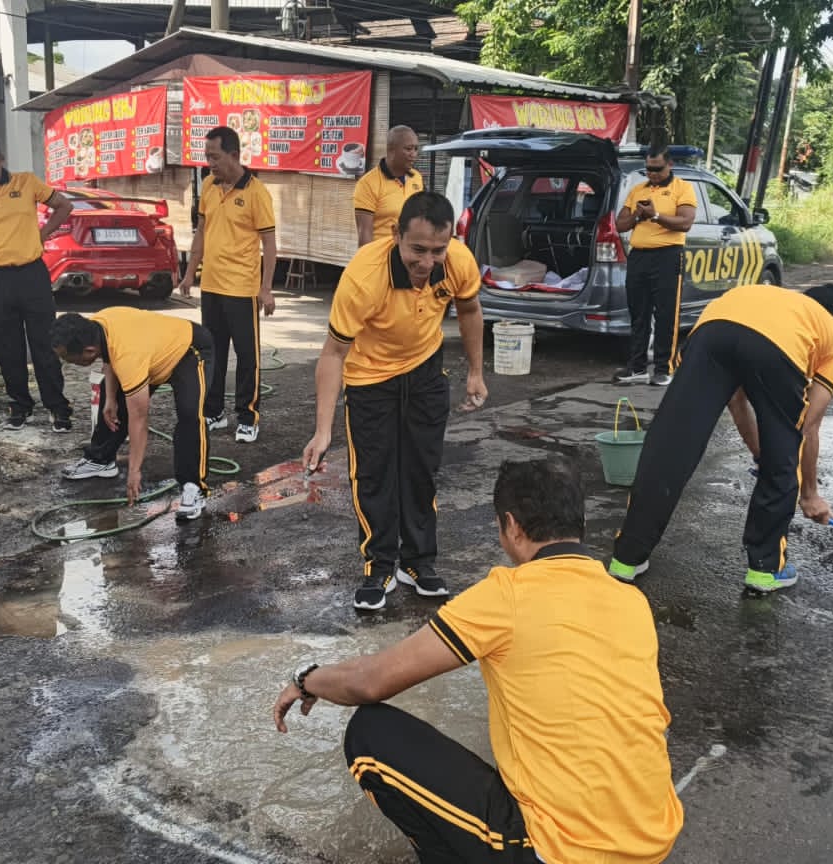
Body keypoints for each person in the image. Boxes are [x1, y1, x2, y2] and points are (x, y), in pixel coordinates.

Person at [272, 459, 684, 864]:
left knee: (371, 732)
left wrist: (307, 678)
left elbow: (370, 681)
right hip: (651, 841)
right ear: (578, 523)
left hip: (561, 854)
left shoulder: (508, 594)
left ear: (512, 526)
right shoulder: (630, 600)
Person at [302, 192, 487, 610]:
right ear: (395, 236)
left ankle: (419, 562)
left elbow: (471, 308)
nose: (426, 263)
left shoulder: (457, 262)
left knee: (421, 471)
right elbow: (333, 353)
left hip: (424, 372)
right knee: (375, 475)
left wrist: (475, 372)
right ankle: (380, 565)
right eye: (417, 250)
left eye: (437, 251)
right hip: (369, 380)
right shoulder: (364, 276)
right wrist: (323, 430)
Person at [609, 283, 833, 593]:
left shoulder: (776, 300)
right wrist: (809, 494)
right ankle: (765, 570)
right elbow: (806, 426)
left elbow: (736, 401)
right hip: (776, 347)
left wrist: (758, 453)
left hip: (714, 324)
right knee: (785, 450)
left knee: (671, 444)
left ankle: (626, 560)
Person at [0, 131, 76, 431]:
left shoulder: (26, 182)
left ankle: (58, 407)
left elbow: (64, 206)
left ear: (0, 159)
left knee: (45, 342)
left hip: (32, 274)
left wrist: (42, 235)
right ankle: (19, 405)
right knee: (7, 348)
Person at [50, 310, 212, 520]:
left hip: (189, 350)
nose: (66, 362)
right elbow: (109, 357)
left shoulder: (128, 357)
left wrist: (135, 471)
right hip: (151, 352)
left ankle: (194, 486)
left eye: (67, 358)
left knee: (191, 413)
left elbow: (140, 419)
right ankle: (100, 460)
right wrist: (110, 399)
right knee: (114, 396)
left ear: (89, 351)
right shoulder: (98, 325)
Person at [177, 126, 277, 444]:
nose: (210, 163)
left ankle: (248, 417)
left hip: (243, 289)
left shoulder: (257, 193)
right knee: (213, 352)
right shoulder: (208, 185)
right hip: (213, 286)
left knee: (248, 356)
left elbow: (270, 244)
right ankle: (215, 412)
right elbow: (202, 232)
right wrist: (190, 272)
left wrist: (266, 288)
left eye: (215, 157)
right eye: (207, 157)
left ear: (234, 155)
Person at [613, 144, 697, 387]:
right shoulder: (638, 189)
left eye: (657, 169)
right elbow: (620, 224)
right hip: (639, 256)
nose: (652, 174)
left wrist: (656, 216)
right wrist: (639, 215)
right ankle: (637, 367)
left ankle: (663, 368)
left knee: (666, 314)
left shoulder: (683, 188)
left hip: (668, 256)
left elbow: (685, 222)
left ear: (669, 164)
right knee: (638, 313)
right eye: (648, 169)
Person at [352, 125, 424, 246]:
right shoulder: (368, 184)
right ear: (391, 150)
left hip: (410, 256)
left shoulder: (417, 178)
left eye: (416, 149)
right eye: (408, 149)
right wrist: (368, 263)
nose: (413, 154)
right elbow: (364, 232)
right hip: (382, 257)